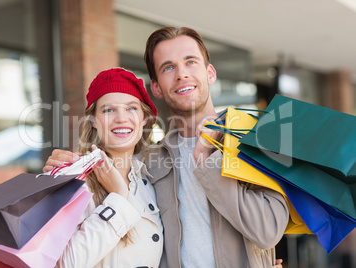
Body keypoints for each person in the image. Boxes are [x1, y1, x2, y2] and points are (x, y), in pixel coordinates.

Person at [44, 27, 289, 268]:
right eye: (168, 67)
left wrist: (206, 159)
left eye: (190, 62)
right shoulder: (150, 163)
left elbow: (268, 233)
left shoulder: (253, 142)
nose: (181, 74)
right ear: (157, 87)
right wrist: (60, 173)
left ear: (210, 73)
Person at [0, 68, 163, 268]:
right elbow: (64, 263)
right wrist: (118, 199)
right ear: (93, 122)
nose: (121, 118)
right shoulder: (74, 180)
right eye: (109, 110)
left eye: (131, 108)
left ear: (144, 120)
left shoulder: (149, 180)